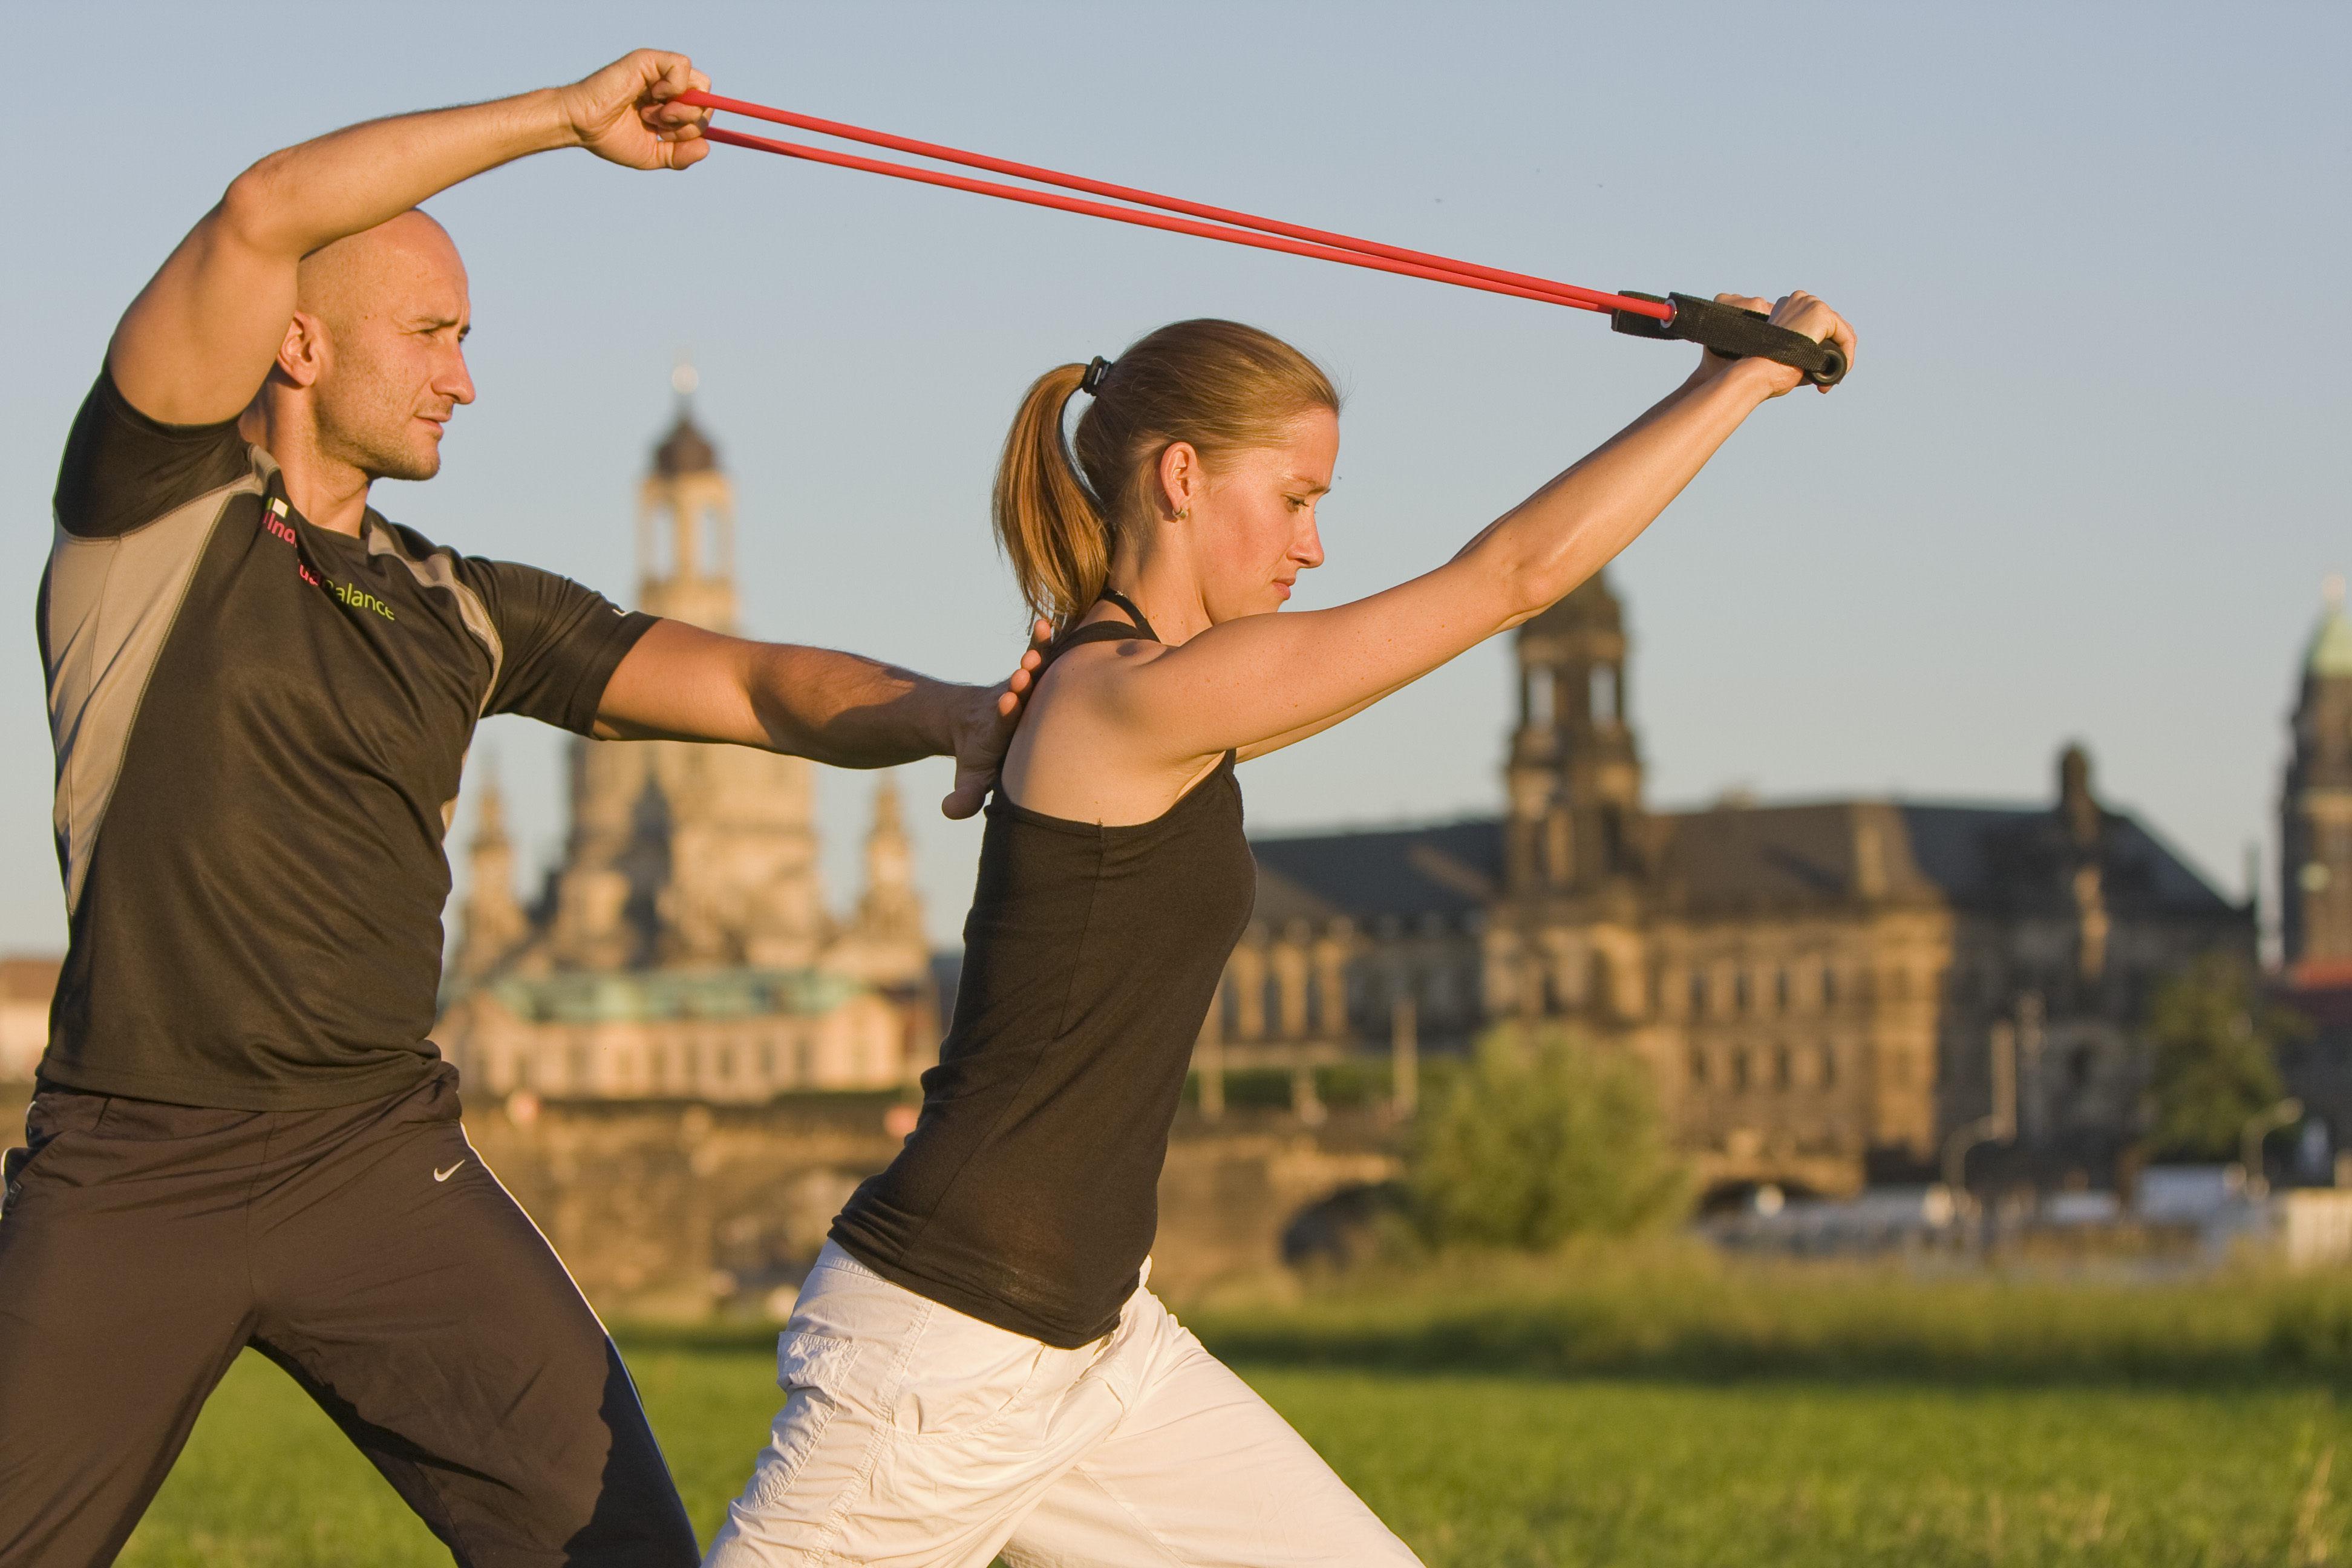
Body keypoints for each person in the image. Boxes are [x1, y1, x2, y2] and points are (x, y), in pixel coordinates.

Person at [0, 50, 1047, 1567]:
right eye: (429, 334)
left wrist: (959, 712)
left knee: (622, 1557)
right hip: (131, 1166)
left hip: (374, 1162)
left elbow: (748, 688)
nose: (464, 376)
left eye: (466, 338)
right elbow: (260, 208)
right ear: (295, 344)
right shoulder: (148, 517)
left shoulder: (465, 611)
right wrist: (562, 121)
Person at [705, 304, 1855, 1566]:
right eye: (1297, 497)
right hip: (945, 1352)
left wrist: (1719, 379)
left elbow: (1502, 587)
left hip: (1100, 1349)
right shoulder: (1124, 700)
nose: (1316, 544)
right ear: (1182, 477)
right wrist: (1737, 385)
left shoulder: (1167, 698)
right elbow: (1510, 580)